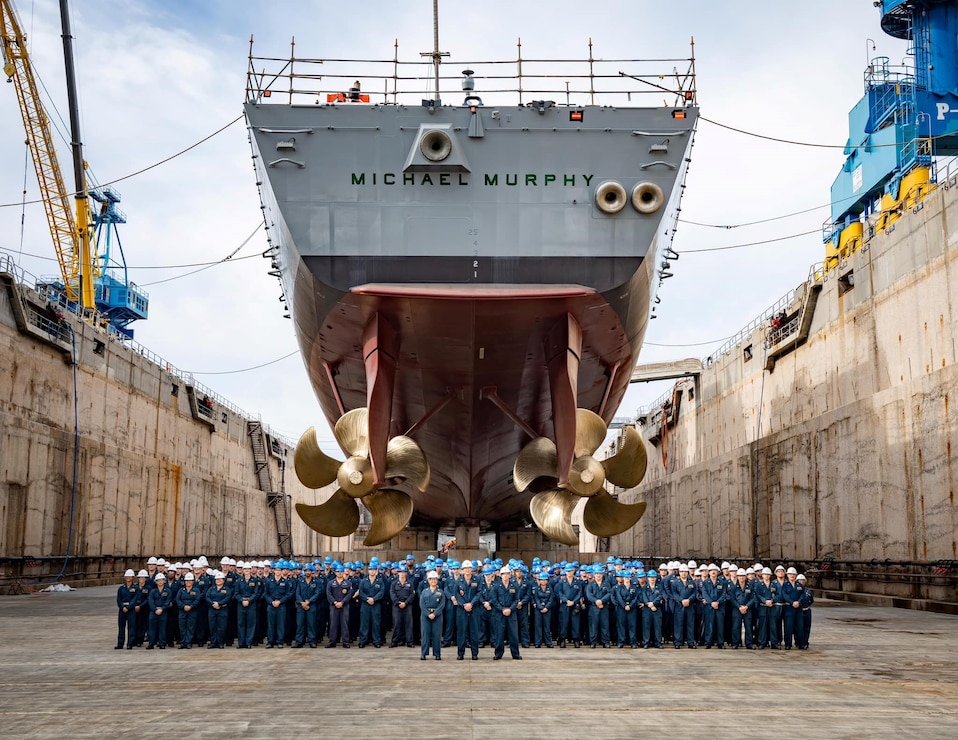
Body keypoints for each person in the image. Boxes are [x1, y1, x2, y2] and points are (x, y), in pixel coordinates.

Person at [490, 566, 522, 660]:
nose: (505, 576)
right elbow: (494, 601)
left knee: (513, 635)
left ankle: (515, 654)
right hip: (500, 614)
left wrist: (510, 609)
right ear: (500, 575)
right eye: (503, 574)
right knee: (499, 634)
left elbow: (516, 600)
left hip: (511, 614)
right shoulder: (496, 587)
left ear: (510, 575)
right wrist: (502, 609)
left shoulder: (514, 586)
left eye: (507, 574)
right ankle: (498, 653)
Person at [453, 560, 482, 660]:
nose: (467, 570)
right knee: (461, 632)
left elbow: (479, 593)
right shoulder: (458, 581)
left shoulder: (477, 579)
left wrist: (472, 603)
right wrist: (464, 604)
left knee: (474, 632)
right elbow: (456, 595)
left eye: (469, 568)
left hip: (474, 609)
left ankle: (475, 653)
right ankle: (460, 653)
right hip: (462, 610)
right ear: (462, 570)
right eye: (465, 568)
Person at [357, 559, 386, 648]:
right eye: (370, 569)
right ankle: (363, 641)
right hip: (365, 604)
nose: (372, 571)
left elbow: (382, 592)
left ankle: (376, 641)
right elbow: (361, 592)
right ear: (368, 570)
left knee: (376, 623)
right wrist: (367, 599)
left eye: (374, 569)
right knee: (364, 623)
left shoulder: (380, 581)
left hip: (376, 604)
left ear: (376, 571)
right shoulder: (363, 581)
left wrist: (374, 599)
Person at [326, 564, 356, 648]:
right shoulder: (331, 583)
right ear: (335, 572)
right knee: (333, 624)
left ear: (343, 572)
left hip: (344, 606)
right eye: (338, 571)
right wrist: (335, 602)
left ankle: (345, 642)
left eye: (341, 571)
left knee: (344, 624)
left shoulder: (348, 583)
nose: (339, 573)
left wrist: (342, 602)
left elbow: (349, 594)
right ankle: (332, 641)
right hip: (334, 606)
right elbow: (328, 594)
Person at [294, 564, 323, 648]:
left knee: (311, 624)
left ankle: (312, 641)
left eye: (309, 570)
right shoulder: (300, 581)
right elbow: (297, 593)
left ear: (311, 571)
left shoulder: (316, 582)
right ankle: (299, 641)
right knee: (300, 624)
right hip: (301, 606)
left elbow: (317, 593)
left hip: (311, 606)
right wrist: (302, 602)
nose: (307, 572)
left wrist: (309, 601)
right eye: (306, 570)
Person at [419, 570, 446, 660]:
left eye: (435, 579)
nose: (433, 581)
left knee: (437, 635)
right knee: (425, 635)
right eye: (431, 579)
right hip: (425, 616)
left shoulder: (440, 592)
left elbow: (442, 604)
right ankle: (424, 653)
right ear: (428, 580)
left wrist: (435, 613)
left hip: (437, 616)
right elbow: (422, 604)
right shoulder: (424, 592)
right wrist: (428, 614)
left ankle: (437, 654)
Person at [265, 563, 292, 648]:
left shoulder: (285, 582)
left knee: (281, 624)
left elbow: (287, 594)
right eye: (276, 570)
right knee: (271, 625)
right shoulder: (269, 581)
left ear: (281, 571)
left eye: (279, 570)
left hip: (281, 606)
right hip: (271, 605)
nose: (278, 571)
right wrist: (271, 602)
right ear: (274, 571)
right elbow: (266, 594)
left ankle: (280, 642)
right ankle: (270, 642)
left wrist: (280, 601)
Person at [729, 569, 757, 649]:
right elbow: (732, 599)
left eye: (743, 576)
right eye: (740, 576)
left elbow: (753, 598)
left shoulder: (750, 587)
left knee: (748, 626)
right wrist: (739, 606)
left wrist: (747, 606)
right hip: (737, 609)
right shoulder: (734, 587)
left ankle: (749, 643)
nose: (741, 578)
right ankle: (735, 643)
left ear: (745, 577)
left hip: (747, 609)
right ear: (737, 577)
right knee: (736, 626)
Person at [234, 562, 260, 649]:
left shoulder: (255, 581)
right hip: (241, 605)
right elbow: (236, 593)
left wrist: (249, 600)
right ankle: (241, 643)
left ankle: (249, 642)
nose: (247, 571)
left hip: (251, 604)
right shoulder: (238, 581)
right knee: (241, 623)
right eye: (245, 569)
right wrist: (242, 600)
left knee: (250, 624)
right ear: (243, 570)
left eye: (248, 569)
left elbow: (255, 593)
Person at [585, 564, 612, 648]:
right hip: (593, 607)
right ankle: (593, 642)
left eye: (600, 573)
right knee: (593, 625)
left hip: (604, 607)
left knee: (605, 625)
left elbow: (609, 594)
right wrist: (596, 601)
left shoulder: (606, 584)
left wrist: (601, 601)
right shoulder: (590, 585)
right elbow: (589, 595)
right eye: (597, 573)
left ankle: (605, 641)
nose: (598, 575)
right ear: (594, 575)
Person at [389, 568, 416, 648]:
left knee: (408, 624)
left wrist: (406, 602)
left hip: (407, 606)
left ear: (406, 573)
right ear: (398, 573)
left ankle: (410, 642)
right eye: (400, 572)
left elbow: (412, 594)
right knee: (397, 624)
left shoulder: (410, 583)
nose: (402, 573)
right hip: (397, 606)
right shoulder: (394, 583)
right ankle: (395, 641)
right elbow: (392, 593)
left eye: (403, 572)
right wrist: (398, 602)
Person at [205, 571, 232, 649]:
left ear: (223, 580)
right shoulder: (211, 589)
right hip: (212, 609)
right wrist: (213, 603)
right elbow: (207, 597)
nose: (218, 581)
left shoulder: (227, 589)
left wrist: (219, 603)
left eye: (220, 579)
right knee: (212, 626)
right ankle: (213, 642)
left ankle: (220, 642)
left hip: (222, 609)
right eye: (217, 579)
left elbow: (228, 598)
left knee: (221, 627)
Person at [146, 572, 172, 649]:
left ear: (164, 581)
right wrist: (155, 609)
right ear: (156, 582)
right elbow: (150, 601)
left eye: (162, 580)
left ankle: (162, 643)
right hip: (153, 612)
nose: (160, 582)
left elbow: (168, 601)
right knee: (152, 629)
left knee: (162, 628)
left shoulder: (168, 591)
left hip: (163, 612)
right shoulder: (153, 591)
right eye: (158, 580)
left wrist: (162, 609)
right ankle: (151, 643)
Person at [176, 572, 201, 649]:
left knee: (190, 627)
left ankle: (188, 642)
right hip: (182, 610)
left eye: (190, 580)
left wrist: (191, 606)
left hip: (192, 611)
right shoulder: (181, 590)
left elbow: (197, 600)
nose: (188, 582)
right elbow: (178, 599)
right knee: (182, 627)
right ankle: (182, 642)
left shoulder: (196, 590)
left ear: (193, 581)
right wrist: (183, 606)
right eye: (187, 581)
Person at [531, 569, 556, 648]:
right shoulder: (537, 589)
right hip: (538, 609)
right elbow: (536, 599)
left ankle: (548, 642)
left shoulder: (550, 589)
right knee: (538, 626)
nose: (543, 581)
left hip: (547, 609)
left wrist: (546, 607)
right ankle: (538, 642)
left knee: (547, 626)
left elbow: (551, 599)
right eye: (541, 580)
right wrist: (541, 607)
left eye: (545, 580)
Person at [116, 569, 138, 650]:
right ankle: (120, 643)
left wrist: (128, 607)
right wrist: (122, 607)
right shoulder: (121, 588)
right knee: (121, 627)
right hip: (122, 610)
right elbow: (118, 599)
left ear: (133, 577)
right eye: (127, 576)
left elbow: (135, 599)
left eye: (130, 576)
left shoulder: (135, 588)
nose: (128, 578)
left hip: (131, 610)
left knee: (131, 627)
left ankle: (130, 643)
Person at [642, 569, 665, 648]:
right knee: (646, 626)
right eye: (650, 577)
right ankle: (646, 642)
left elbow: (661, 596)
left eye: (654, 577)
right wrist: (649, 604)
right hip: (647, 609)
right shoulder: (645, 587)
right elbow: (644, 597)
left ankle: (658, 642)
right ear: (648, 578)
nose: (652, 579)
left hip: (657, 609)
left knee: (658, 626)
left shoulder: (659, 587)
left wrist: (653, 603)